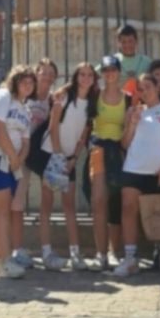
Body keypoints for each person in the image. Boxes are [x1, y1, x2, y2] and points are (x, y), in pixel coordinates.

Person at [114, 74, 160, 277]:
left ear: (157, 88)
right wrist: (132, 124)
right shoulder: (133, 112)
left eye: (148, 87)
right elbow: (125, 144)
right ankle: (130, 258)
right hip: (134, 168)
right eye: (140, 88)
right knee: (128, 208)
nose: (144, 91)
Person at [32, 62, 97, 271]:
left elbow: (84, 134)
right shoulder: (64, 96)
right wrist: (60, 157)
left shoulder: (92, 102)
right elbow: (52, 127)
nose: (86, 78)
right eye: (82, 74)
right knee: (47, 204)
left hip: (68, 158)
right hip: (51, 154)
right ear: (76, 77)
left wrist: (74, 158)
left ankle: (75, 254)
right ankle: (46, 252)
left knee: (69, 206)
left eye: (90, 75)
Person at [0, 64, 36, 280]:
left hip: (12, 164)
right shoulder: (3, 96)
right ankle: (5, 260)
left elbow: (26, 141)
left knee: (1, 212)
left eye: (31, 81)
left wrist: (19, 160)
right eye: (23, 80)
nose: (28, 84)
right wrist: (12, 156)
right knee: (2, 211)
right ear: (14, 81)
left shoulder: (26, 109)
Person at [10, 58, 57, 269]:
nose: (46, 76)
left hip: (44, 154)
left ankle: (47, 250)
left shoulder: (54, 100)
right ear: (36, 74)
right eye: (42, 72)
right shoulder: (24, 98)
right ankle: (17, 249)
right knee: (17, 202)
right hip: (23, 153)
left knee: (47, 201)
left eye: (50, 73)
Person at [88, 55, 129, 270]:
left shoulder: (129, 98)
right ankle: (100, 253)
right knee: (99, 201)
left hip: (119, 151)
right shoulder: (95, 96)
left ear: (119, 72)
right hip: (99, 149)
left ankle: (115, 251)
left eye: (113, 69)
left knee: (116, 203)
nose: (109, 74)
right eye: (105, 70)